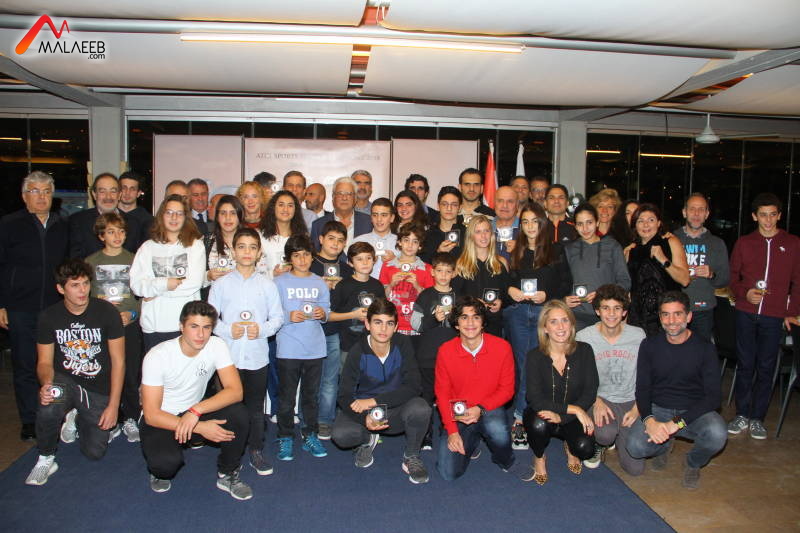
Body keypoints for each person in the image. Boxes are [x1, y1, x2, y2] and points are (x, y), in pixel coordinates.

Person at [25, 259, 124, 486]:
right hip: (65, 380)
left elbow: (119, 362)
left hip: (97, 385)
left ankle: (77, 416)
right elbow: (44, 362)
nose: (82, 290)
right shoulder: (49, 317)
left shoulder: (107, 312)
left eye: (86, 283)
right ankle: (46, 458)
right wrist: (46, 384)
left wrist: (113, 406)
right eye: (75, 285)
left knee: (94, 452)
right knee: (49, 406)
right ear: (61, 289)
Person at [140, 301, 252, 499]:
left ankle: (227, 473)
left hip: (193, 411)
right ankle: (159, 469)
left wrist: (195, 411)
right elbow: (151, 415)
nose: (200, 334)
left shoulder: (216, 345)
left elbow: (235, 391)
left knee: (239, 414)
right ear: (181, 327)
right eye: (194, 326)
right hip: (163, 418)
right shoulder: (158, 356)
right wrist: (200, 427)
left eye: (206, 327)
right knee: (165, 466)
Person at [626, 291, 727, 490]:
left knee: (717, 434)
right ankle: (664, 446)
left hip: (693, 412)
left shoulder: (705, 348)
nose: (671, 321)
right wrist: (649, 421)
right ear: (660, 317)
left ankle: (692, 462)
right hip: (658, 408)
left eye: (677, 314)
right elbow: (643, 388)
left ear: (688, 316)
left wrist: (676, 423)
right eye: (665, 314)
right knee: (635, 448)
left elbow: (714, 398)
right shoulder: (649, 345)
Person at [0, 171, 70, 440]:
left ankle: (56, 416)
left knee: (59, 366)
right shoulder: (9, 224)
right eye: (35, 191)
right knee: (25, 365)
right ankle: (30, 420)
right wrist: (2, 304)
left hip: (55, 307)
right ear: (24, 196)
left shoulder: (63, 223)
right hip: (20, 307)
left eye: (46, 191)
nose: (41, 197)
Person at [208, 228, 283, 476]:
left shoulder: (268, 285)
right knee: (229, 408)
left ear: (259, 253)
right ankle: (231, 452)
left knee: (255, 408)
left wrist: (261, 329)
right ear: (233, 251)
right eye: (241, 246)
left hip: (256, 357)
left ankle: (256, 449)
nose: (247, 252)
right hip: (227, 358)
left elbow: (277, 318)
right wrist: (228, 330)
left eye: (252, 247)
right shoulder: (220, 284)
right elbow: (210, 319)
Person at [334, 298, 432, 484]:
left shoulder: (403, 343)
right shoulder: (357, 351)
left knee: (421, 408)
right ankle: (366, 440)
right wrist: (364, 419)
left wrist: (374, 401)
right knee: (341, 434)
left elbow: (414, 386)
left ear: (396, 327)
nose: (383, 329)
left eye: (389, 323)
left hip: (395, 410)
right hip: (366, 412)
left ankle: (411, 456)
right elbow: (344, 395)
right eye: (378, 322)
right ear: (367, 324)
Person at [727, 192, 800, 440]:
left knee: (767, 367)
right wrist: (744, 293)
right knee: (745, 365)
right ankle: (741, 414)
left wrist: (791, 312)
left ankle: (757, 417)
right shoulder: (744, 243)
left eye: (772, 215)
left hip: (774, 315)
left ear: (779, 215)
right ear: (754, 216)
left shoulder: (793, 243)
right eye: (763, 215)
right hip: (746, 313)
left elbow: (798, 281)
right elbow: (732, 278)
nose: (768, 220)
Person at [506, 202, 572, 449]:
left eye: (535, 221)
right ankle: (521, 417)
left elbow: (566, 283)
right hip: (519, 314)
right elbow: (507, 281)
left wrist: (548, 294)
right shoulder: (516, 250)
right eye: (525, 222)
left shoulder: (556, 250)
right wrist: (510, 290)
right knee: (523, 365)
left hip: (545, 314)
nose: (530, 226)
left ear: (543, 223)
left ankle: (535, 415)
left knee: (540, 365)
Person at [435, 296, 518, 481]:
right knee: (448, 473)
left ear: (483, 322)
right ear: (456, 324)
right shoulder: (445, 351)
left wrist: (480, 408)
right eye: (464, 317)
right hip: (459, 411)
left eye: (476, 317)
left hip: (489, 407)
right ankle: (472, 439)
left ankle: (507, 461)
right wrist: (452, 431)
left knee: (497, 430)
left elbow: (507, 390)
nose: (470, 323)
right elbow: (442, 394)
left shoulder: (502, 347)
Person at [522, 300, 598, 485]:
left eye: (565, 320)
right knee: (538, 425)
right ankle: (539, 457)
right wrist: (575, 410)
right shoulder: (534, 356)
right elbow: (534, 398)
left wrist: (564, 417)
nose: (561, 327)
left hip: (571, 417)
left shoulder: (585, 350)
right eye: (553, 322)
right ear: (545, 328)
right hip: (544, 412)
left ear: (572, 324)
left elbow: (590, 391)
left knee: (585, 449)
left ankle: (570, 446)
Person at [576, 284, 645, 475]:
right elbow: (578, 377)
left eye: (617, 308)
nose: (612, 314)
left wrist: (638, 406)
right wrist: (595, 400)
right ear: (597, 311)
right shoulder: (584, 337)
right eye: (606, 308)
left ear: (624, 312)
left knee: (635, 469)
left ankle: (619, 434)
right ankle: (600, 442)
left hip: (630, 401)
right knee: (605, 435)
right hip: (602, 399)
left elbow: (647, 375)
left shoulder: (638, 335)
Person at [85, 213, 143, 442]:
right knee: (106, 373)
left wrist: (133, 313)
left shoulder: (134, 259)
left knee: (130, 373)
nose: (117, 236)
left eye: (121, 231)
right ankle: (110, 418)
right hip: (102, 328)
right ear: (101, 236)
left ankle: (131, 417)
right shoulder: (91, 262)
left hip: (128, 325)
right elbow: (85, 296)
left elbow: (143, 294)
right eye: (111, 232)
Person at [272, 235, 330, 461]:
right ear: (289, 258)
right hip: (288, 348)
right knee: (286, 397)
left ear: (312, 256)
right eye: (297, 255)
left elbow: (326, 311)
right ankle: (285, 436)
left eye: (306, 254)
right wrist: (288, 316)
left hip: (315, 348)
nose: (302, 259)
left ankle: (310, 434)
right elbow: (272, 313)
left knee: (311, 396)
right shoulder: (279, 282)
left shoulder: (319, 282)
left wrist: (322, 314)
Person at [130, 194, 206, 352]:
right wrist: (165, 284)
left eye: (179, 213)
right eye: (169, 212)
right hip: (154, 327)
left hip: (186, 325)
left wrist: (154, 290)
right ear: (161, 216)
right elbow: (137, 286)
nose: (174, 217)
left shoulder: (195, 246)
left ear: (185, 217)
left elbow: (193, 283)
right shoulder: (147, 247)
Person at [410, 252, 460, 449]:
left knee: (452, 395)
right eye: (439, 271)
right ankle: (425, 432)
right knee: (427, 396)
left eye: (448, 271)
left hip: (453, 356)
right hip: (428, 355)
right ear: (432, 272)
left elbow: (467, 326)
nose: (443, 275)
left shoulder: (459, 297)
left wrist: (454, 317)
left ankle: (451, 430)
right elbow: (415, 324)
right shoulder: (425, 295)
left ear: (454, 273)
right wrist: (433, 319)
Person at [310, 221, 354, 439]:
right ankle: (307, 418)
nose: (335, 244)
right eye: (331, 239)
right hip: (308, 329)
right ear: (321, 239)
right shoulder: (309, 264)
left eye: (340, 240)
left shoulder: (346, 269)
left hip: (333, 330)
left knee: (329, 379)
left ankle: (325, 420)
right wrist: (318, 286)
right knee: (309, 379)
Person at [626, 203, 690, 336]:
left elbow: (685, 280)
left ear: (659, 223)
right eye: (640, 221)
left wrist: (664, 260)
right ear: (635, 226)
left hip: (667, 318)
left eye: (651, 220)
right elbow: (628, 289)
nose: (646, 225)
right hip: (638, 320)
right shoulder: (630, 251)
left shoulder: (671, 242)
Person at [564, 203, 631, 330]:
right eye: (580, 224)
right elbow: (561, 282)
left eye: (589, 222)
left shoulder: (612, 246)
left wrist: (603, 295)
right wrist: (564, 299)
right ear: (575, 226)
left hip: (607, 316)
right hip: (577, 316)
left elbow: (625, 281)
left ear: (597, 222)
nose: (585, 228)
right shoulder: (569, 249)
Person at [674, 193, 730, 342]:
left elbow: (724, 280)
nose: (696, 213)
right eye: (692, 209)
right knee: (675, 351)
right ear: (684, 212)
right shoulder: (671, 239)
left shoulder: (717, 244)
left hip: (704, 309)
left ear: (707, 214)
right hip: (674, 308)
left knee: (700, 351)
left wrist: (711, 274)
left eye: (701, 209)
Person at [453, 215, 510, 337]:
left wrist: (501, 302)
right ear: (471, 236)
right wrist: (472, 303)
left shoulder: (501, 263)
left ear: (492, 234)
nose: (483, 236)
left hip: (495, 323)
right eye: (478, 232)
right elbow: (456, 296)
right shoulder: (461, 264)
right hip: (470, 326)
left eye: (486, 231)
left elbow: (508, 295)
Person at [69, 173, 146, 258]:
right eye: (102, 191)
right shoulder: (78, 222)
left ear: (119, 195)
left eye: (113, 191)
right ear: (94, 195)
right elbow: (75, 259)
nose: (108, 197)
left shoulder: (134, 224)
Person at [379, 223, 434, 336]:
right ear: (399, 242)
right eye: (406, 240)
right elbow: (381, 297)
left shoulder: (427, 269)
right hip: (392, 325)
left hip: (417, 326)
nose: (410, 245)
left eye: (415, 241)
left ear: (420, 246)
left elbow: (431, 300)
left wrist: (418, 287)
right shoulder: (387, 266)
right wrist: (391, 285)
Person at [310, 176, 372, 250]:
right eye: (340, 193)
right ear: (333, 197)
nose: (344, 198)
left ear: (355, 198)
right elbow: (315, 254)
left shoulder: (369, 222)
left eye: (349, 194)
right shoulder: (318, 225)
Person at [260, 190, 308, 279]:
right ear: (273, 208)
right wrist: (272, 274)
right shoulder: (260, 237)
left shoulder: (303, 238)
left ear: (295, 210)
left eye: (290, 205)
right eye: (281, 205)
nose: (285, 209)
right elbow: (253, 270)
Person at [352, 197, 397, 278]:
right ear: (371, 218)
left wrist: (395, 261)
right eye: (375, 215)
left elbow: (411, 271)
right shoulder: (358, 241)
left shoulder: (402, 243)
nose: (379, 219)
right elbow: (350, 270)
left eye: (384, 215)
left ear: (392, 218)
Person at [420, 186, 465, 263]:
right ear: (438, 206)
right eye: (444, 204)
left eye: (454, 205)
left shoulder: (467, 234)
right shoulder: (427, 236)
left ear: (460, 207)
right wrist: (438, 253)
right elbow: (422, 264)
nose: (449, 208)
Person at [492, 186, 520, 261]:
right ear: (494, 203)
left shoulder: (527, 230)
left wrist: (520, 250)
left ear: (517, 205)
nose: (505, 205)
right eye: (500, 201)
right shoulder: (484, 229)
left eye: (510, 201)